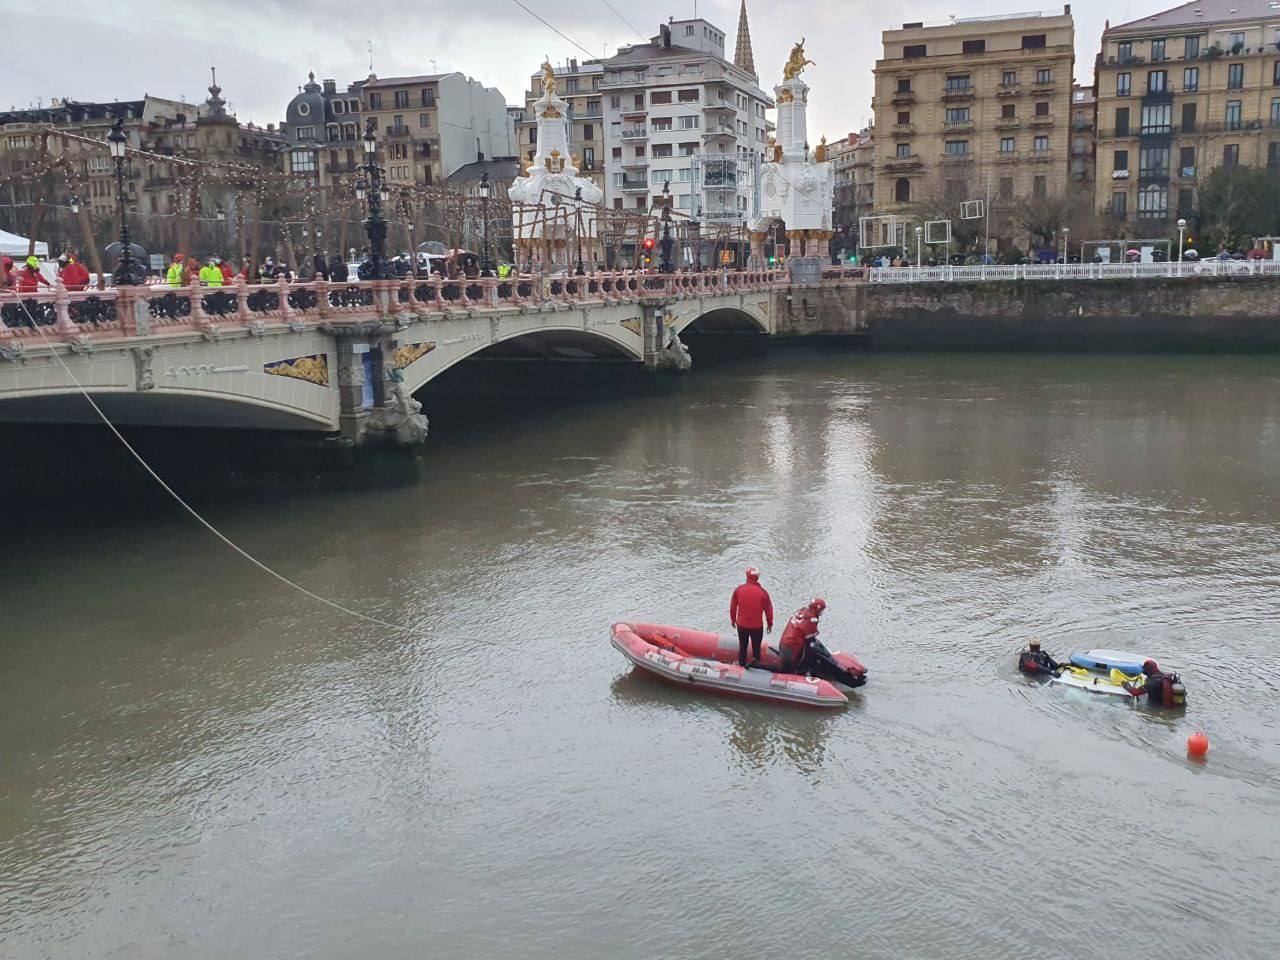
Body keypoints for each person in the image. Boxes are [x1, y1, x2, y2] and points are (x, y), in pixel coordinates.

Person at [729, 567, 774, 667]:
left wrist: (732, 620)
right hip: (756, 627)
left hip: (741, 626)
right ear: (757, 578)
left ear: (747, 576)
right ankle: (756, 669)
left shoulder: (739, 590)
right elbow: (769, 611)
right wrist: (770, 624)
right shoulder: (763, 593)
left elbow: (733, 606)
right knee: (756, 649)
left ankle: (741, 667)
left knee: (743, 647)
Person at [778, 598, 826, 675]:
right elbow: (810, 637)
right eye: (821, 611)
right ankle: (759, 666)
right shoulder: (811, 619)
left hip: (784, 642)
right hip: (791, 648)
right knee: (787, 669)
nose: (821, 613)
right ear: (817, 609)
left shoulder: (802, 611)